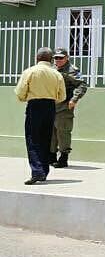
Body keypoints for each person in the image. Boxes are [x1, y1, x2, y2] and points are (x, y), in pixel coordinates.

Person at [14, 47, 66, 185]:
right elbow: (62, 96)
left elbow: (20, 93)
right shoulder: (56, 74)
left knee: (32, 138)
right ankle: (43, 170)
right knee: (46, 139)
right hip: (50, 107)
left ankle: (37, 171)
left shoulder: (30, 71)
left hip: (35, 106)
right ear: (51, 59)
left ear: (37, 58)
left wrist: (28, 98)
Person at [50, 48, 88, 168]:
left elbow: (81, 85)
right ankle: (51, 156)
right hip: (51, 105)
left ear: (67, 58)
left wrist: (74, 99)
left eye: (61, 58)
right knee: (51, 133)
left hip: (64, 106)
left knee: (63, 132)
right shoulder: (51, 69)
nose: (58, 60)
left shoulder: (71, 71)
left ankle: (63, 157)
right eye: (56, 58)